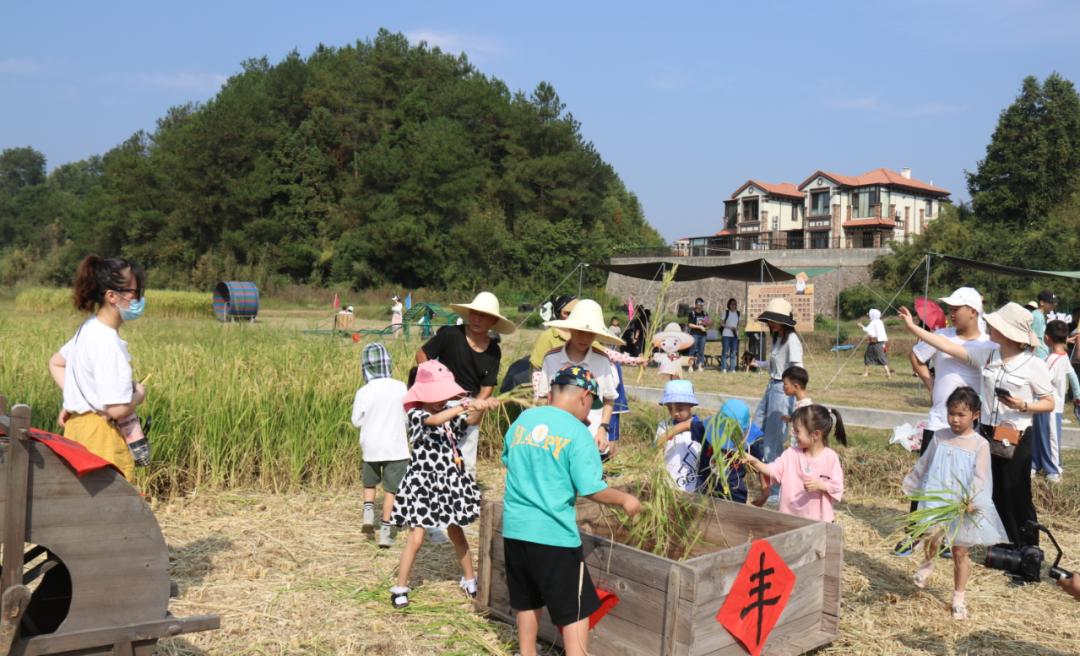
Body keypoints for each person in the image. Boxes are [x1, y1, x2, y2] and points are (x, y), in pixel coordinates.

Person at [502, 365, 641, 656]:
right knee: (576, 609)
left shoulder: (523, 421)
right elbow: (592, 488)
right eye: (593, 404)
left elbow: (508, 459)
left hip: (515, 530)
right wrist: (624, 500)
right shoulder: (576, 433)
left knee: (527, 600)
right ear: (585, 397)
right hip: (553, 536)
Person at [898, 302, 1054, 549]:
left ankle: (1027, 550)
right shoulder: (988, 354)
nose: (989, 326)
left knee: (1017, 492)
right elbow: (946, 345)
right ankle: (1001, 547)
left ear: (1007, 332)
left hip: (1017, 435)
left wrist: (1022, 405)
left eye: (995, 325)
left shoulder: (1033, 365)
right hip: (988, 433)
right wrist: (913, 329)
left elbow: (1049, 402)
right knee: (991, 491)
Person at [389, 361, 498, 609]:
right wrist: (464, 404)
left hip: (448, 483)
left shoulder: (450, 413)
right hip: (423, 485)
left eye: (444, 396)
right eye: (436, 396)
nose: (441, 400)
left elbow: (469, 421)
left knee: (456, 532)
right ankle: (400, 586)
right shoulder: (418, 414)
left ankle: (470, 580)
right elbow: (435, 420)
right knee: (416, 539)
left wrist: (482, 406)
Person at [901, 387, 1008, 620]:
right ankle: (928, 564)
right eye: (951, 414)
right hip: (937, 496)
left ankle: (958, 597)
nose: (955, 419)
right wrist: (913, 483)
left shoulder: (979, 444)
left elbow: (982, 477)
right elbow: (925, 463)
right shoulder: (939, 437)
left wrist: (973, 499)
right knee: (932, 535)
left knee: (960, 550)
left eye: (961, 415)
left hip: (961, 503)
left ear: (975, 415)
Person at [899, 287, 989, 556]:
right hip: (939, 419)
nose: (951, 312)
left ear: (973, 311)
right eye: (949, 307)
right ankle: (914, 534)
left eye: (956, 308)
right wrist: (932, 385)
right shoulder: (941, 334)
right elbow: (917, 356)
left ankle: (951, 537)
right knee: (925, 477)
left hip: (967, 427)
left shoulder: (986, 344)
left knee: (960, 482)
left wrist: (914, 328)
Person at [47, 255, 148, 481]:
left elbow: (56, 363)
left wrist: (75, 397)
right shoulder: (108, 342)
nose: (138, 298)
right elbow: (117, 410)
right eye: (135, 291)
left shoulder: (88, 329)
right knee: (110, 508)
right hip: (102, 437)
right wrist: (139, 394)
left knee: (82, 508)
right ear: (112, 296)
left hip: (76, 431)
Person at [416, 291, 513, 479]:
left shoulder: (494, 350)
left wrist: (477, 405)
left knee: (466, 459)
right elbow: (422, 354)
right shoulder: (451, 334)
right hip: (440, 402)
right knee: (437, 454)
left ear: (493, 321)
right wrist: (432, 383)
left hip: (469, 403)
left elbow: (487, 385)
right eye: (475, 314)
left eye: (483, 316)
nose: (477, 319)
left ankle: (464, 499)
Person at [535, 300, 624, 454]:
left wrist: (603, 429)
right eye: (580, 332)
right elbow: (543, 397)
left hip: (590, 435)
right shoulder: (551, 358)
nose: (584, 338)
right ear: (570, 329)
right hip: (556, 437)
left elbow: (609, 398)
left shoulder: (602, 361)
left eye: (590, 334)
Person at [743, 404, 846, 522]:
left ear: (816, 434)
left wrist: (821, 485)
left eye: (797, 431)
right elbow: (773, 470)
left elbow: (837, 487)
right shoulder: (790, 454)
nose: (793, 434)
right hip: (789, 519)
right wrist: (755, 461)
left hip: (818, 523)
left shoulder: (830, 458)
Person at [351, 343, 409, 548]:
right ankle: (385, 531)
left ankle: (368, 513)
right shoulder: (401, 386)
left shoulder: (364, 391)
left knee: (369, 482)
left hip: (371, 447)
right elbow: (407, 417)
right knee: (391, 490)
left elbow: (356, 421)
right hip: (396, 447)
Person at [751, 298, 803, 506]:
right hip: (772, 385)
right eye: (770, 320)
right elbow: (776, 364)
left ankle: (776, 489)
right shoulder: (778, 339)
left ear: (784, 322)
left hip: (783, 389)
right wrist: (759, 363)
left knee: (774, 438)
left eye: (774, 320)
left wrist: (794, 395)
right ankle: (765, 477)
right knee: (756, 428)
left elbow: (798, 369)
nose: (771, 324)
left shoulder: (792, 341)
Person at [1034, 320, 1080, 482]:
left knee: (1050, 437)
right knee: (1041, 435)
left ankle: (1054, 469)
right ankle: (1036, 464)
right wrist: (1077, 394)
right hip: (1048, 405)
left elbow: (1041, 379)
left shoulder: (1052, 359)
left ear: (1046, 338)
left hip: (1050, 406)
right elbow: (1073, 375)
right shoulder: (1063, 356)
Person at [698, 399, 763, 503]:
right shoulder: (706, 428)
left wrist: (765, 493)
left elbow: (763, 467)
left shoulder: (753, 442)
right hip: (704, 487)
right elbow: (687, 425)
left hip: (734, 492)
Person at [654, 380, 706, 492]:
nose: (674, 413)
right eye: (670, 409)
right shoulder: (664, 426)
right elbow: (657, 447)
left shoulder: (700, 429)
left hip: (693, 485)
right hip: (668, 482)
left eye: (680, 409)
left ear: (691, 405)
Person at [529, 295, 579, 370]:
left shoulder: (587, 335)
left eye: (575, 313)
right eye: (567, 313)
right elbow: (536, 367)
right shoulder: (547, 336)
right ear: (558, 313)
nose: (572, 317)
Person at [859, 309, 892, 378]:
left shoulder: (873, 322)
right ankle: (888, 373)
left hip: (874, 343)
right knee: (881, 357)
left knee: (867, 356)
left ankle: (866, 373)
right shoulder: (880, 322)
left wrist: (861, 326)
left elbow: (868, 330)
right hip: (881, 343)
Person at [686, 298, 710, 372]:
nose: (701, 306)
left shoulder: (705, 313)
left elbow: (707, 323)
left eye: (702, 305)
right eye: (699, 304)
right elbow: (690, 324)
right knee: (692, 350)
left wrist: (707, 323)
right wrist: (699, 327)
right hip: (694, 334)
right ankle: (690, 366)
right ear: (696, 305)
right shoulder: (692, 313)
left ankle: (700, 365)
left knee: (701, 350)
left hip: (703, 335)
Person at [1031, 290, 1057, 360]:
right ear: (1042, 303)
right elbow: (1035, 339)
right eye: (1050, 302)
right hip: (1039, 356)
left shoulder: (1040, 315)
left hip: (1042, 355)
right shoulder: (1037, 316)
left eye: (1054, 303)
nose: (1053, 305)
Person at [720, 298, 740, 373]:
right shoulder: (726, 312)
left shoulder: (738, 313)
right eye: (732, 304)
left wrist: (736, 329)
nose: (733, 305)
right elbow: (721, 323)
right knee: (725, 351)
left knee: (733, 352)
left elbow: (738, 324)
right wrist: (729, 327)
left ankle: (732, 368)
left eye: (735, 304)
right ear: (729, 305)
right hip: (726, 334)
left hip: (734, 335)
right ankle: (724, 368)